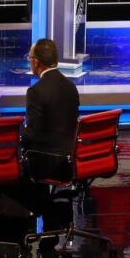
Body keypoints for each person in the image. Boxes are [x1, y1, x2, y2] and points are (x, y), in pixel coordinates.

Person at [22, 38, 80, 180]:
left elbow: (32, 135)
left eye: (30, 57)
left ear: (36, 62)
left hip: (47, 163)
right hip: (71, 159)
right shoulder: (71, 87)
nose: (30, 61)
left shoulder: (35, 91)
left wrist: (15, 137)